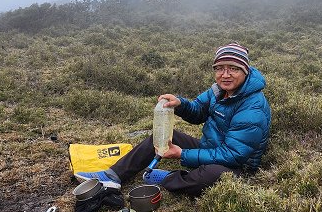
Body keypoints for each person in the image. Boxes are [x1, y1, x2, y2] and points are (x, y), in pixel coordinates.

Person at [75, 43, 271, 196]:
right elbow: (198, 111)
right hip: (211, 149)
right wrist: (181, 104)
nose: (225, 75)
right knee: (166, 136)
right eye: (220, 68)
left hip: (237, 166)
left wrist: (182, 154)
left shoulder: (252, 106)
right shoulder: (218, 91)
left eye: (233, 69)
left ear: (245, 71)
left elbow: (234, 155)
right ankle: (113, 176)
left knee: (213, 175)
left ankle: (169, 178)